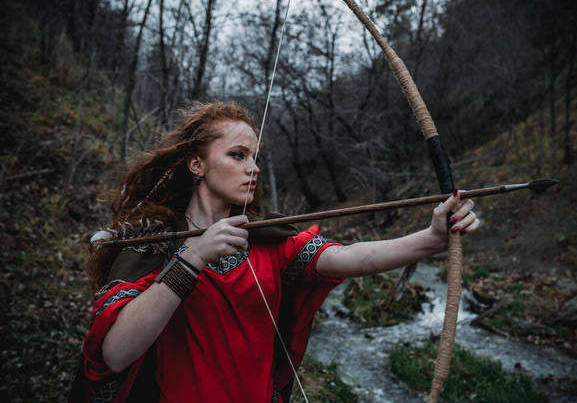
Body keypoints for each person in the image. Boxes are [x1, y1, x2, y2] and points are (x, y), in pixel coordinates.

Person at [70, 102, 480, 403]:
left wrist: (430, 238)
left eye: (256, 158)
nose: (255, 168)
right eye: (237, 155)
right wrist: (193, 258)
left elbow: (351, 257)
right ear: (197, 164)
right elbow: (116, 353)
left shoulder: (268, 239)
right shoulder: (153, 244)